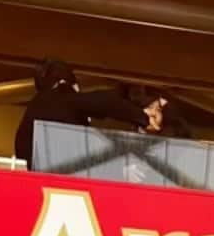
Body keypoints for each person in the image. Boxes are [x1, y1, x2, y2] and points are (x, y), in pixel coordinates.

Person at [15, 59, 154, 168]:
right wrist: (143, 117)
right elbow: (106, 102)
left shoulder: (31, 111)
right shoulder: (63, 95)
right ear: (67, 83)